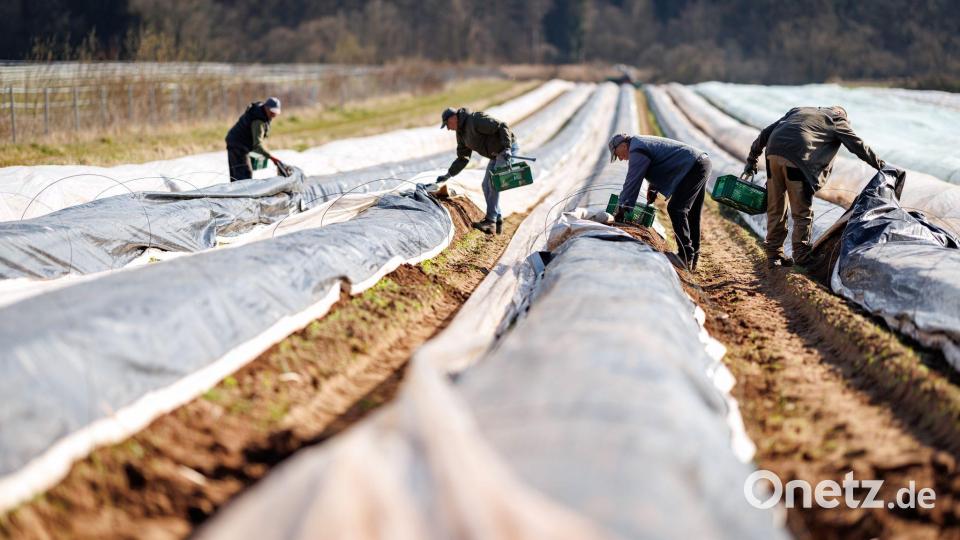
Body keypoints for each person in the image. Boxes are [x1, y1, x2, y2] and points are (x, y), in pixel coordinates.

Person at [744, 106, 885, 267]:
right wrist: (881, 165)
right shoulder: (836, 120)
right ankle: (802, 256)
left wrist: (752, 159)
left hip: (773, 153)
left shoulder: (798, 111)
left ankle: (774, 255)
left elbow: (765, 133)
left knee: (776, 207)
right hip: (798, 159)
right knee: (801, 211)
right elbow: (858, 146)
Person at [608, 133, 711, 272]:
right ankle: (693, 257)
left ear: (623, 145)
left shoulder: (637, 149)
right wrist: (654, 187)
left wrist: (623, 205)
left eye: (617, 154)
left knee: (677, 209)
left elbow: (633, 180)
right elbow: (662, 163)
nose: (620, 158)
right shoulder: (640, 144)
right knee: (691, 212)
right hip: (699, 163)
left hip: (693, 166)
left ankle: (685, 256)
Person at [436, 107, 518, 234]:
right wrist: (449, 174)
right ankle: (497, 217)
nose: (448, 128)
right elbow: (463, 158)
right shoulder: (461, 134)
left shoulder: (475, 119)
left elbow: (502, 126)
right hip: (495, 154)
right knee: (485, 185)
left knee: (494, 182)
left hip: (506, 149)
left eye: (447, 124)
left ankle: (491, 221)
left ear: (453, 118)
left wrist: (507, 147)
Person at [225, 97, 285, 181]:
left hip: (235, 142)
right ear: (266, 107)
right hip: (238, 145)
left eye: (275, 113)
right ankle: (242, 193)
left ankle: (236, 192)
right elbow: (258, 144)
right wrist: (272, 158)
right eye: (272, 112)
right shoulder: (258, 120)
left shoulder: (260, 112)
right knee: (245, 175)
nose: (273, 115)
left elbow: (257, 140)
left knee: (236, 176)